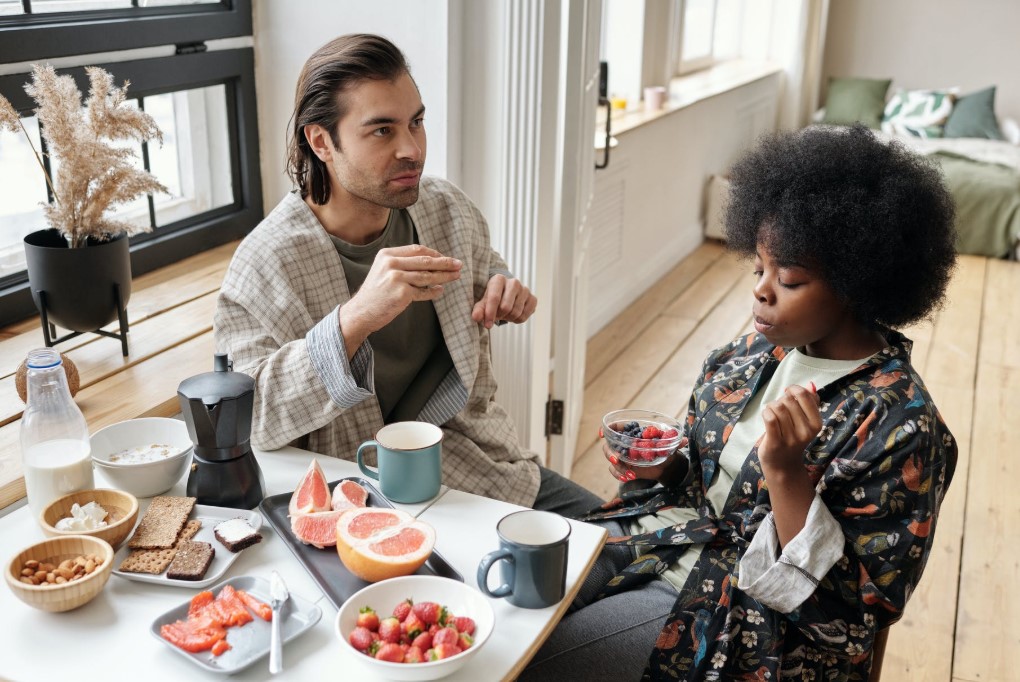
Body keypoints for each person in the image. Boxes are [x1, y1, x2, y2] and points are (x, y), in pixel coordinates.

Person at [521, 124, 959, 681]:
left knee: (537, 663)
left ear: (857, 282)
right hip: (670, 538)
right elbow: (704, 478)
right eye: (759, 267)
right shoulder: (750, 353)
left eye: (790, 278)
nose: (761, 290)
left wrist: (787, 475)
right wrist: (669, 466)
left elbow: (853, 618)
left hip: (750, 619)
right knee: (514, 606)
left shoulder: (903, 425)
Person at [214, 34, 601, 516]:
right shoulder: (264, 264)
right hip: (351, 493)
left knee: (643, 554)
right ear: (321, 142)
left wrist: (503, 289)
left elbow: (486, 267)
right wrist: (354, 318)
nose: (412, 149)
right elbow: (250, 421)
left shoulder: (447, 208)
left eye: (416, 123)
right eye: (382, 131)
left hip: (468, 462)